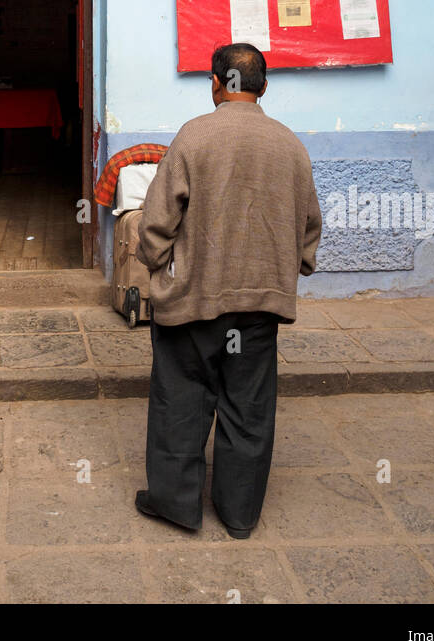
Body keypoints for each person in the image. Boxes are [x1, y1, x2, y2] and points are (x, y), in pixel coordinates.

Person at [134, 42, 322, 539]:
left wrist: (154, 266)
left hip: (196, 300)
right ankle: (239, 515)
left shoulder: (195, 138)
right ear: (263, 86)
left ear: (217, 82)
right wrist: (293, 268)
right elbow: (309, 225)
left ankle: (176, 506)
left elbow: (157, 222)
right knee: (249, 408)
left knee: (181, 401)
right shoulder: (289, 145)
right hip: (259, 305)